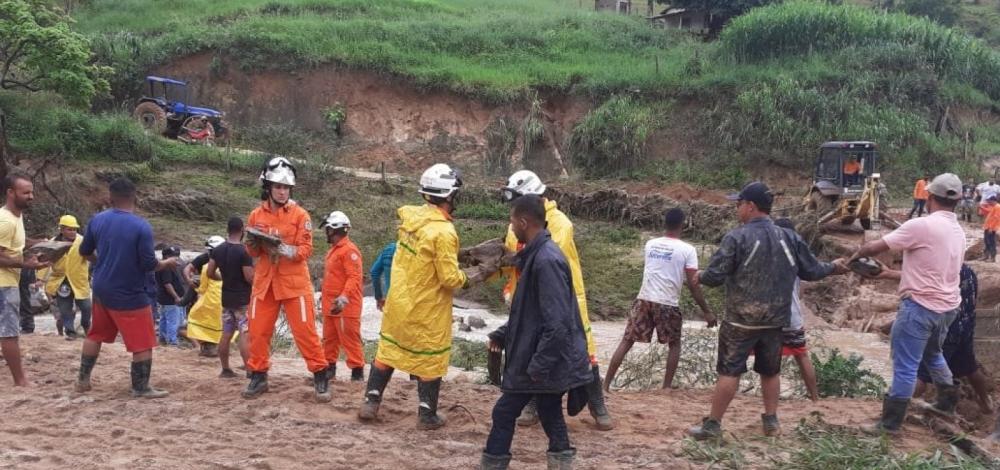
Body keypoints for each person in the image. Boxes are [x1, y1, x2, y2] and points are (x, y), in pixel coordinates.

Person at [687, 182, 846, 440]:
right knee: (770, 371)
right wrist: (834, 267)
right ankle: (771, 422)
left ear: (750, 206)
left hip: (741, 321)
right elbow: (812, 271)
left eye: (739, 204)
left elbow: (716, 276)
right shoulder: (791, 237)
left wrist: (701, 276)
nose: (737, 209)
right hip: (775, 321)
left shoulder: (737, 237)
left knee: (729, 372)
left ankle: (713, 426)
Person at [359, 163, 488, 430]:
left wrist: (457, 255)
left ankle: (371, 402)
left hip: (400, 302)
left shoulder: (410, 221)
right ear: (449, 196)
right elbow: (450, 278)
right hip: (427, 309)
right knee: (430, 358)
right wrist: (476, 274)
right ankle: (427, 415)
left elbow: (423, 258)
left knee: (389, 350)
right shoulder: (444, 231)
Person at [480, 195, 592, 470]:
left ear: (523, 221)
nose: (511, 226)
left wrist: (538, 366)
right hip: (542, 357)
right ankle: (561, 460)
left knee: (504, 411)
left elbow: (557, 323)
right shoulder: (538, 256)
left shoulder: (545, 261)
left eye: (511, 220)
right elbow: (530, 314)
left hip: (540, 360)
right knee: (550, 410)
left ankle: (493, 464)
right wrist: (502, 334)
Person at [498, 170, 613, 431]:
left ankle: (597, 405)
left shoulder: (560, 224)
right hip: (527, 297)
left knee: (582, 350)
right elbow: (510, 254)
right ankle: (533, 404)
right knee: (531, 348)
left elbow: (541, 257)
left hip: (560, 297)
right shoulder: (516, 222)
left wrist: (510, 260)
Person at [851, 173, 966, 435]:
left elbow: (876, 247)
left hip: (920, 307)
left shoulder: (921, 226)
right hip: (947, 308)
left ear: (929, 197)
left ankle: (889, 424)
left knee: (905, 366)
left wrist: (854, 257)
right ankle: (946, 404)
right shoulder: (958, 232)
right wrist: (890, 274)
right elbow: (936, 273)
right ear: (958, 201)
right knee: (933, 354)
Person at [75, 177, 180, 398]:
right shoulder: (141, 226)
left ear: (109, 197)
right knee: (142, 341)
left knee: (95, 334)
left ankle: (82, 380)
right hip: (130, 292)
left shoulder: (97, 220)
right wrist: (167, 263)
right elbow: (149, 264)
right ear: (135, 197)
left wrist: (102, 263)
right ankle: (140, 387)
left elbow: (84, 252)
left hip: (102, 287)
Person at [242, 157, 330, 402]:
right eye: (278, 187)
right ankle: (258, 376)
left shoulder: (301, 215)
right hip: (265, 283)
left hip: (294, 284)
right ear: (268, 187)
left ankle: (320, 375)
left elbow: (306, 250)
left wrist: (282, 248)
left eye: (286, 188)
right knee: (258, 332)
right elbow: (253, 253)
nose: (282, 191)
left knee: (306, 332)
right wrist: (251, 244)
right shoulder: (255, 215)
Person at [602, 208, 715, 393]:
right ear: (683, 225)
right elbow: (693, 284)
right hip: (667, 302)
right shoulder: (688, 250)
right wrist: (707, 311)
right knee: (675, 343)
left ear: (665, 223)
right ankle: (666, 387)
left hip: (644, 299)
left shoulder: (650, 244)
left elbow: (660, 270)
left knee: (627, 340)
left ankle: (605, 386)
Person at [910, 264, 992, 413]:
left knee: (922, 372)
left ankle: (899, 411)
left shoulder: (942, 271)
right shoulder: (969, 271)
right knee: (971, 368)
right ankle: (986, 403)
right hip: (965, 327)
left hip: (946, 328)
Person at [0, 172, 49, 386]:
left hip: (8, 282)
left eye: (32, 192)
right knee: (9, 332)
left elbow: (16, 243)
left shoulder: (15, 217)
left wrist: (39, 243)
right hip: (3, 284)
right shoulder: (5, 221)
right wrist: (25, 264)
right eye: (26, 192)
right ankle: (20, 381)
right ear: (11, 193)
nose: (31, 196)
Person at [772, 218, 820, 402]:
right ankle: (814, 397)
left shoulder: (769, 255)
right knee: (801, 354)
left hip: (769, 316)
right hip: (792, 316)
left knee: (770, 358)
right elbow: (801, 289)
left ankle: (770, 399)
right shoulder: (797, 257)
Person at [206, 217, 254, 378]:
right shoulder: (244, 251)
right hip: (242, 299)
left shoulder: (218, 250)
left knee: (226, 333)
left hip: (226, 297)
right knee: (244, 334)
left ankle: (225, 368)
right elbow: (249, 277)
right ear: (242, 231)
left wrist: (221, 279)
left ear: (227, 230)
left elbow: (209, 272)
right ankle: (249, 369)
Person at [319, 210, 364, 381]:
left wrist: (344, 297)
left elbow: (354, 277)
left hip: (346, 306)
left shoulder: (349, 251)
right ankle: (329, 369)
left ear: (335, 230)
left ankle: (357, 372)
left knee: (350, 340)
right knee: (329, 339)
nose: (327, 233)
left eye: (328, 229)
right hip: (331, 305)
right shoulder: (334, 250)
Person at [38, 215, 92, 340]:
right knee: (65, 309)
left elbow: (91, 257)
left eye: (74, 229)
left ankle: (86, 324)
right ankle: (70, 332)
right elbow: (45, 261)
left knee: (86, 307)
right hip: (61, 281)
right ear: (61, 229)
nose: (73, 232)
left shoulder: (82, 241)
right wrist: (40, 279)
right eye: (69, 229)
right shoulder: (53, 243)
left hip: (79, 280)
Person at [185, 236, 227, 355]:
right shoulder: (230, 264)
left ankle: (208, 348)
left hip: (211, 300)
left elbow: (203, 288)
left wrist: (194, 287)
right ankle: (219, 347)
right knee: (221, 324)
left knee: (196, 318)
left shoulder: (206, 267)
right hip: (226, 299)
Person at [155, 245, 186, 347]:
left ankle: (163, 339)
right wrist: (176, 297)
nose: (176, 258)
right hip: (170, 299)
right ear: (167, 256)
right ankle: (172, 342)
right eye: (174, 256)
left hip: (164, 298)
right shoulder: (166, 267)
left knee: (164, 319)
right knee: (173, 321)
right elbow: (167, 284)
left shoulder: (165, 266)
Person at [370, 241, 396, 312]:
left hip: (391, 300)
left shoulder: (389, 249)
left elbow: (374, 272)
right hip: (413, 303)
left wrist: (379, 297)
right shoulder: (418, 251)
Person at [983, 196, 1000, 262]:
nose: (989, 202)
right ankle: (986, 256)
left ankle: (992, 258)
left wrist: (990, 227)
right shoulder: (994, 207)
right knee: (986, 241)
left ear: (993, 200)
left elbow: (996, 219)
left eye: (989, 201)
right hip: (988, 227)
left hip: (991, 228)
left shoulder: (998, 207)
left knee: (991, 242)